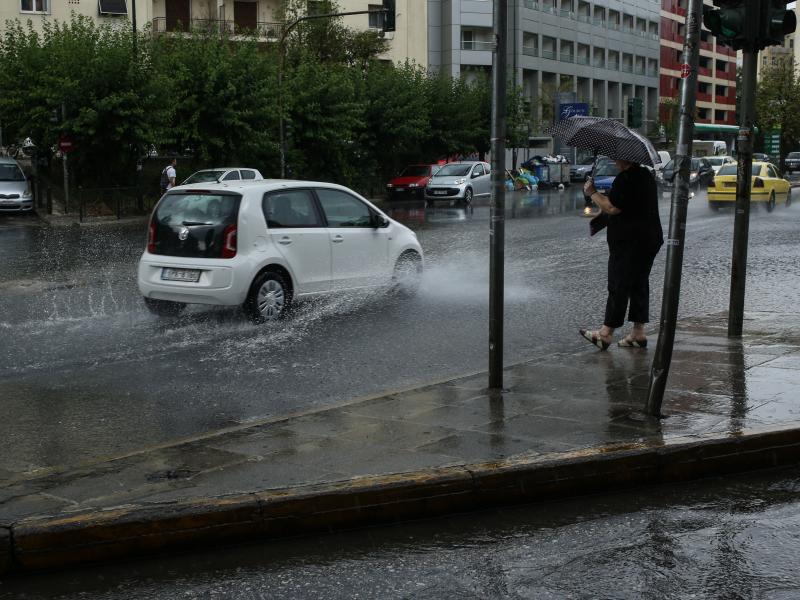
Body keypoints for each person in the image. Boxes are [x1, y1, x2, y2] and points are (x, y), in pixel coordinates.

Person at [579, 159, 663, 350]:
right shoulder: (645, 176)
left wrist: (592, 192)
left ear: (626, 158)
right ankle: (638, 332)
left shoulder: (626, 179)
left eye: (617, 157)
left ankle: (605, 333)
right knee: (639, 283)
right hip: (649, 238)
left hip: (629, 242)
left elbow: (612, 207)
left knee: (619, 283)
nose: (614, 160)